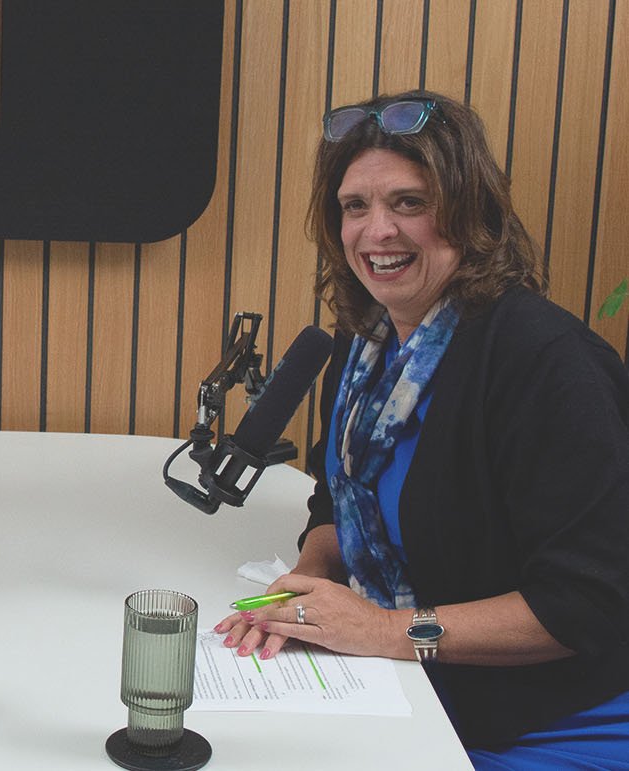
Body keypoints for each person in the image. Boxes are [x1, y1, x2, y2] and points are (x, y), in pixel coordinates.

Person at [215, 90, 629, 767]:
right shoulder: (364, 345)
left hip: (552, 725)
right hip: (425, 691)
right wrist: (311, 577)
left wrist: (381, 628)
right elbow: (334, 494)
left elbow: (583, 604)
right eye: (356, 206)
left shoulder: (546, 363)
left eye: (409, 202)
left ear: (470, 213)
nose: (377, 231)